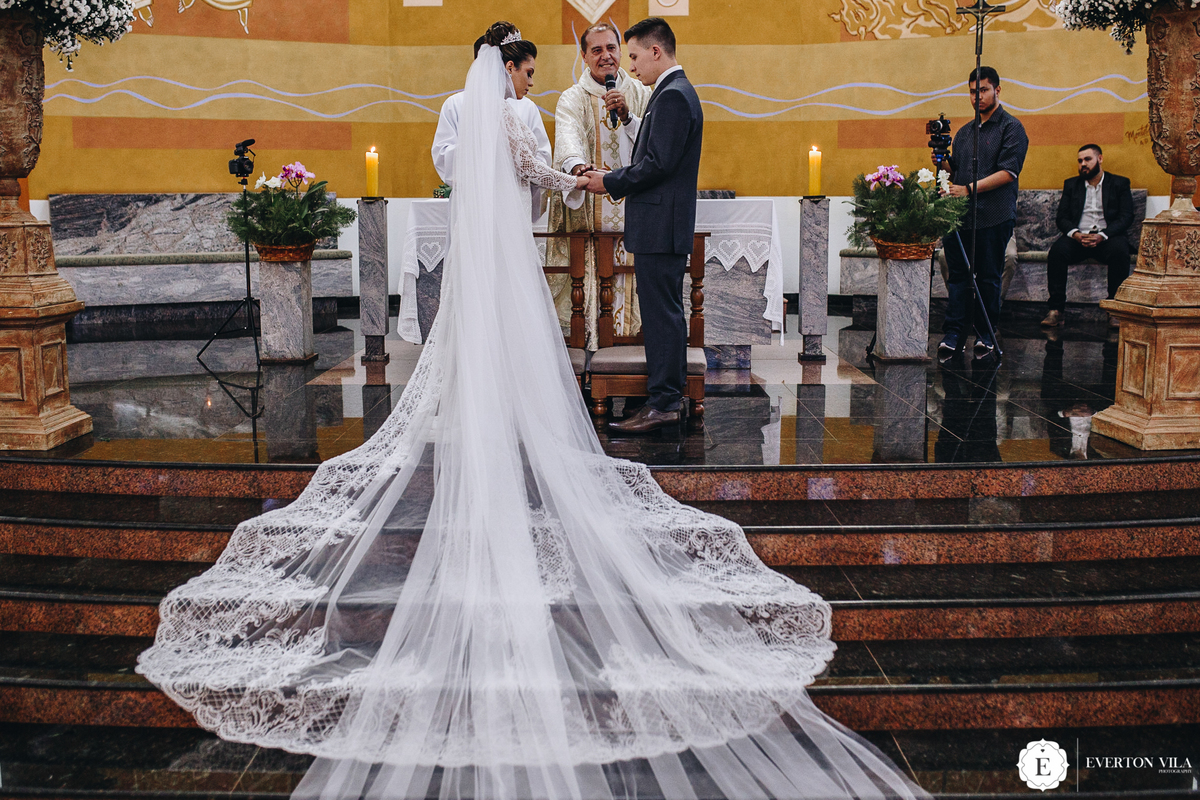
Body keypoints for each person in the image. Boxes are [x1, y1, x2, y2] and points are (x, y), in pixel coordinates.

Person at [137, 20, 926, 800]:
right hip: (506, 232)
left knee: (506, 326)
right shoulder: (492, 110)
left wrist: (583, 175)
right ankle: (506, 403)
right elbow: (502, 164)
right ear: (508, 65)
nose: (533, 78)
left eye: (618, 52)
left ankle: (499, 402)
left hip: (515, 232)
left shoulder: (547, 105)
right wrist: (574, 179)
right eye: (526, 67)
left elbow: (537, 164)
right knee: (507, 325)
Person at [584, 18, 700, 434]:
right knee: (664, 314)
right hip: (662, 225)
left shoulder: (672, 96)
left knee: (662, 316)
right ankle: (667, 398)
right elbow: (657, 151)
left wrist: (609, 181)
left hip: (660, 226)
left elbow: (656, 165)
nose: (630, 66)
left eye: (633, 56)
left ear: (655, 51)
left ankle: (664, 403)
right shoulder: (671, 92)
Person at [546, 23, 653, 350]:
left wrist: (627, 116)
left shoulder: (642, 94)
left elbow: (655, 146)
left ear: (620, 51)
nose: (605, 56)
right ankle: (590, 351)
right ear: (584, 56)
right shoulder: (573, 98)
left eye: (611, 48)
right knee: (589, 285)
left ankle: (630, 353)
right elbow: (567, 137)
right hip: (589, 218)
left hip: (634, 215)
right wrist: (577, 166)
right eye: (596, 50)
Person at [938, 66, 1029, 360]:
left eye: (983, 90)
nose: (977, 97)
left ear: (997, 90)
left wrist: (968, 189)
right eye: (972, 92)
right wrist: (941, 159)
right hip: (961, 217)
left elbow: (1008, 172)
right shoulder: (965, 133)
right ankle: (954, 334)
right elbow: (957, 172)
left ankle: (986, 336)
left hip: (994, 215)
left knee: (988, 278)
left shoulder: (1011, 128)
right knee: (958, 278)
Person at [431, 32, 552, 220]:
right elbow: (442, 157)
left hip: (513, 205)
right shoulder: (455, 104)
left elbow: (542, 155)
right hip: (472, 205)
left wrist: (516, 165)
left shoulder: (527, 107)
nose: (531, 82)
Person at [1040, 144, 1135, 329]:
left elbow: (1126, 216)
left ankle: (1114, 310)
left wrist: (1103, 235)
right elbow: (1062, 217)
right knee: (1057, 252)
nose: (1083, 164)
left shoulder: (1119, 183)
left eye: (1087, 159)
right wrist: (1076, 234)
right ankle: (1056, 310)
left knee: (1120, 251)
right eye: (1080, 161)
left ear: (1100, 159)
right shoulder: (1071, 185)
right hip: (1079, 238)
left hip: (1107, 237)